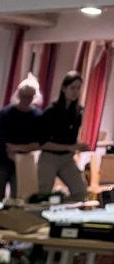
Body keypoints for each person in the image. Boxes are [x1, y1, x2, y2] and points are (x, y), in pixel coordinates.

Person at [0, 81, 43, 200]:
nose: (26, 100)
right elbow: (0, 139)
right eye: (24, 96)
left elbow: (40, 142)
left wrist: (18, 149)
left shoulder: (38, 116)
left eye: (30, 97)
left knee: (19, 197)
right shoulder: (5, 114)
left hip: (22, 162)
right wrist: (13, 150)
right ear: (19, 95)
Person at [38, 70, 87, 202]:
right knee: (43, 193)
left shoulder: (77, 112)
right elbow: (43, 143)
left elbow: (71, 139)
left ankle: (62, 208)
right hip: (49, 157)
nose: (75, 92)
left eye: (78, 88)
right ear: (64, 89)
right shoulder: (51, 112)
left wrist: (79, 146)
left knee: (80, 190)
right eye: (72, 88)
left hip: (67, 158)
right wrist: (69, 147)